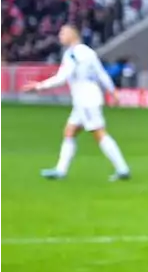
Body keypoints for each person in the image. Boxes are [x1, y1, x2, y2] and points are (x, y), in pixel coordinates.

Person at [23, 24, 132, 181]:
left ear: (72, 35)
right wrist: (112, 91)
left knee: (99, 133)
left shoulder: (73, 54)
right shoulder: (88, 52)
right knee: (70, 131)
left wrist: (39, 86)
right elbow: (101, 73)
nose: (60, 36)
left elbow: (62, 77)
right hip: (87, 98)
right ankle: (61, 170)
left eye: (63, 33)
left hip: (86, 99)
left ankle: (122, 169)